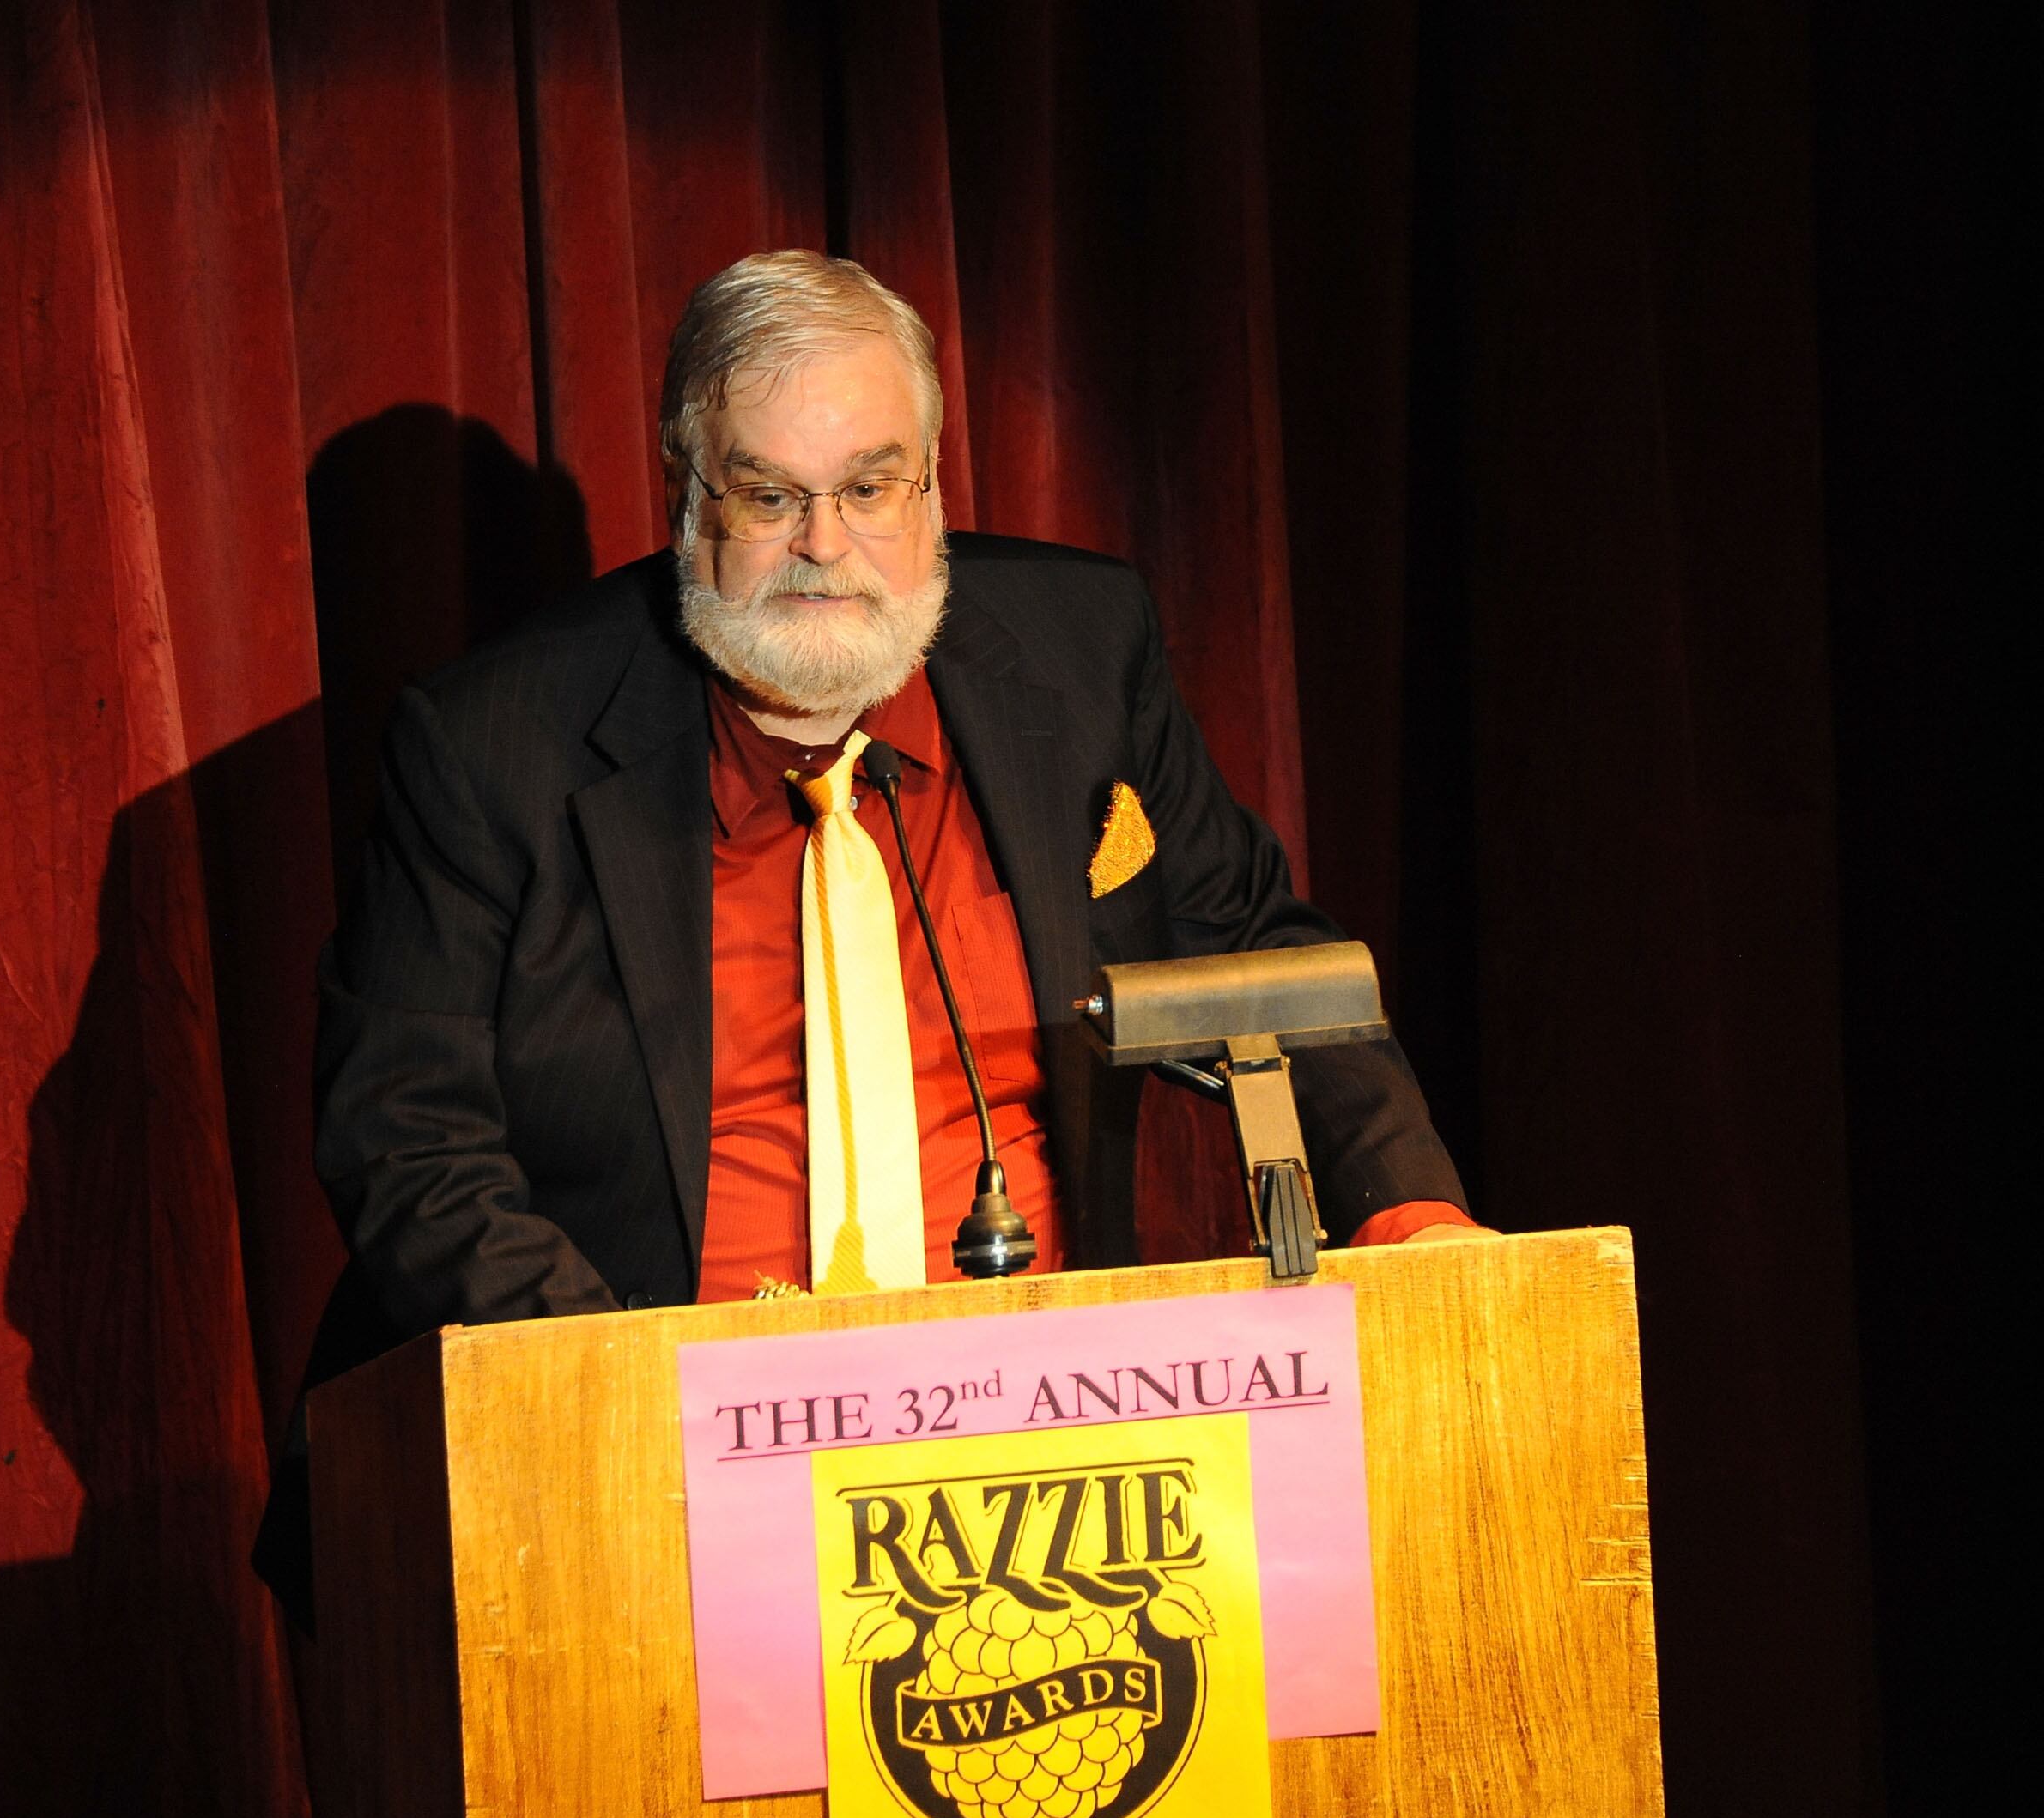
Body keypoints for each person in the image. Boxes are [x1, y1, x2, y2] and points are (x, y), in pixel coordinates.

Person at [256, 251, 1471, 1614]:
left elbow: (1261, 955)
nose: (826, 547)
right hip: (640, 1478)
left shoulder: (1079, 651)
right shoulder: (495, 746)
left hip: (1060, 1455)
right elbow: (408, 1140)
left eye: (870, 488)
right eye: (770, 495)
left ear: (934, 486)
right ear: (688, 494)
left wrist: (1412, 1213)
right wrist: (644, 1418)